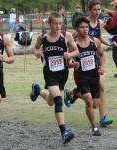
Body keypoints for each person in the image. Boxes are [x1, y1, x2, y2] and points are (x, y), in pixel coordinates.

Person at [30, 12, 79, 144]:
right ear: (49, 24)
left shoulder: (66, 36)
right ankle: (64, 132)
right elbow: (35, 49)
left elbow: (76, 51)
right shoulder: (43, 37)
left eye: (60, 23)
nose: (58, 26)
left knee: (51, 101)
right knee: (58, 100)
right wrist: (37, 52)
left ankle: (38, 90)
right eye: (55, 23)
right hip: (49, 73)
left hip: (62, 73)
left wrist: (69, 54)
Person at [65, 0, 113, 127]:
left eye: (99, 9)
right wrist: (71, 56)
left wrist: (109, 44)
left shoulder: (100, 23)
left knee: (100, 87)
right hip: (83, 62)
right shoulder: (83, 23)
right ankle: (74, 93)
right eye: (95, 10)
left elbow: (98, 38)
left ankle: (74, 93)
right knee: (100, 86)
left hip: (96, 59)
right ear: (89, 10)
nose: (97, 12)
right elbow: (71, 39)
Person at [71, 17, 105, 135]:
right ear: (77, 29)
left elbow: (101, 55)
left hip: (94, 75)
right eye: (82, 27)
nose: (85, 29)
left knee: (95, 104)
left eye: (87, 27)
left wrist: (102, 66)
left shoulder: (94, 41)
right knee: (89, 101)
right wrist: (72, 64)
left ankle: (75, 93)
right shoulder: (73, 44)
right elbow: (67, 61)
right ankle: (94, 128)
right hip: (81, 76)